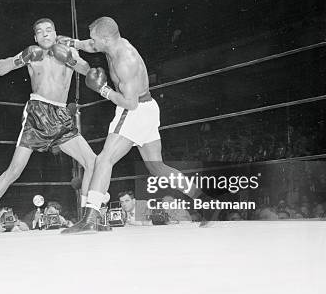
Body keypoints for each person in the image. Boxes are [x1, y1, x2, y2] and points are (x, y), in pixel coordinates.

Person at [59, 17, 217, 234]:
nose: (92, 42)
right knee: (157, 167)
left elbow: (129, 103)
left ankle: (90, 218)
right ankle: (205, 201)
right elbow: (89, 44)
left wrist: (103, 89)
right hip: (148, 109)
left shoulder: (126, 61)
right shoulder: (110, 44)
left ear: (106, 38)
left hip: (134, 110)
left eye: (95, 38)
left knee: (104, 159)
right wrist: (72, 43)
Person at [0, 18, 102, 237]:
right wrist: (20, 60)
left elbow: (87, 71)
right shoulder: (32, 54)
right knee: (14, 170)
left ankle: (87, 217)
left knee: (93, 161)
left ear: (55, 33)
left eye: (49, 30)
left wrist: (71, 60)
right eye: (40, 32)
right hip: (37, 114)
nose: (45, 34)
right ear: (35, 37)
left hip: (62, 115)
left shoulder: (68, 52)